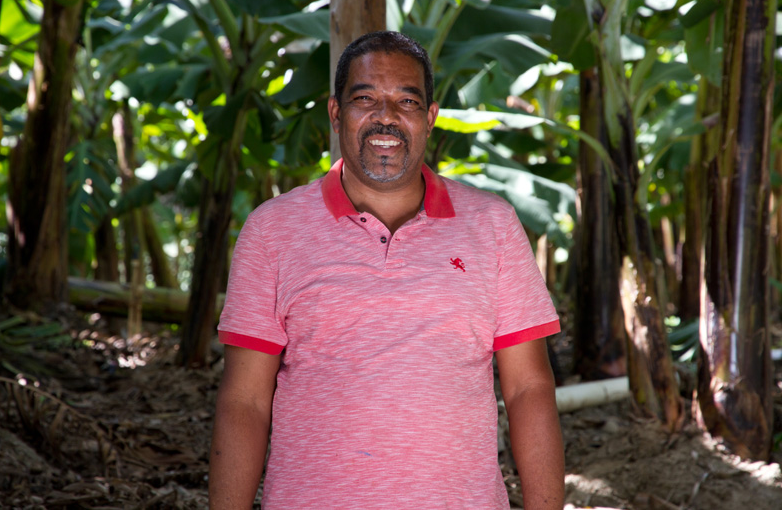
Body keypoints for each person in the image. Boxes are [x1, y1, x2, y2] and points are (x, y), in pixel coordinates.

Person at [209, 31, 565, 509]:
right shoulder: (273, 231)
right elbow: (244, 403)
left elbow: (528, 388)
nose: (386, 116)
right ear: (336, 113)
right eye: (365, 98)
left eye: (407, 101)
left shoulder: (492, 225)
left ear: (430, 118)